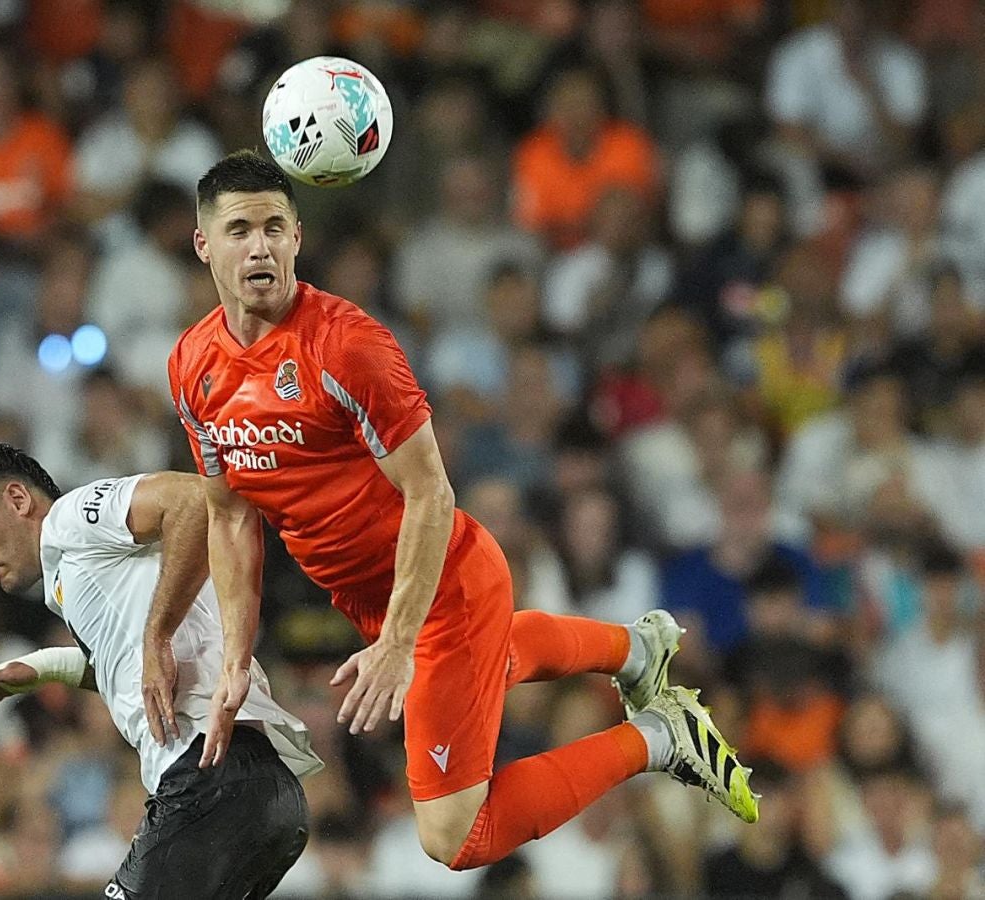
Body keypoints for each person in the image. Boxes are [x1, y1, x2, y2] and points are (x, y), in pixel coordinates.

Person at [162, 150, 758, 873]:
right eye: (238, 229)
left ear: (296, 238)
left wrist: (400, 644)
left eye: (273, 227)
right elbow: (228, 518)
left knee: (454, 836)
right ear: (204, 244)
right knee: (490, 668)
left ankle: (661, 738)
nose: (258, 245)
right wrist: (233, 659)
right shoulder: (192, 364)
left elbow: (431, 493)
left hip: (443, 588)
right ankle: (635, 649)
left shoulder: (347, 347)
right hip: (373, 601)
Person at [0, 439, 321, 899]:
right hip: (259, 790)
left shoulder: (70, 519)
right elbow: (124, 667)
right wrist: (39, 669)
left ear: (17, 499)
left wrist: (158, 635)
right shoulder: (73, 576)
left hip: (212, 777)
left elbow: (192, 500)